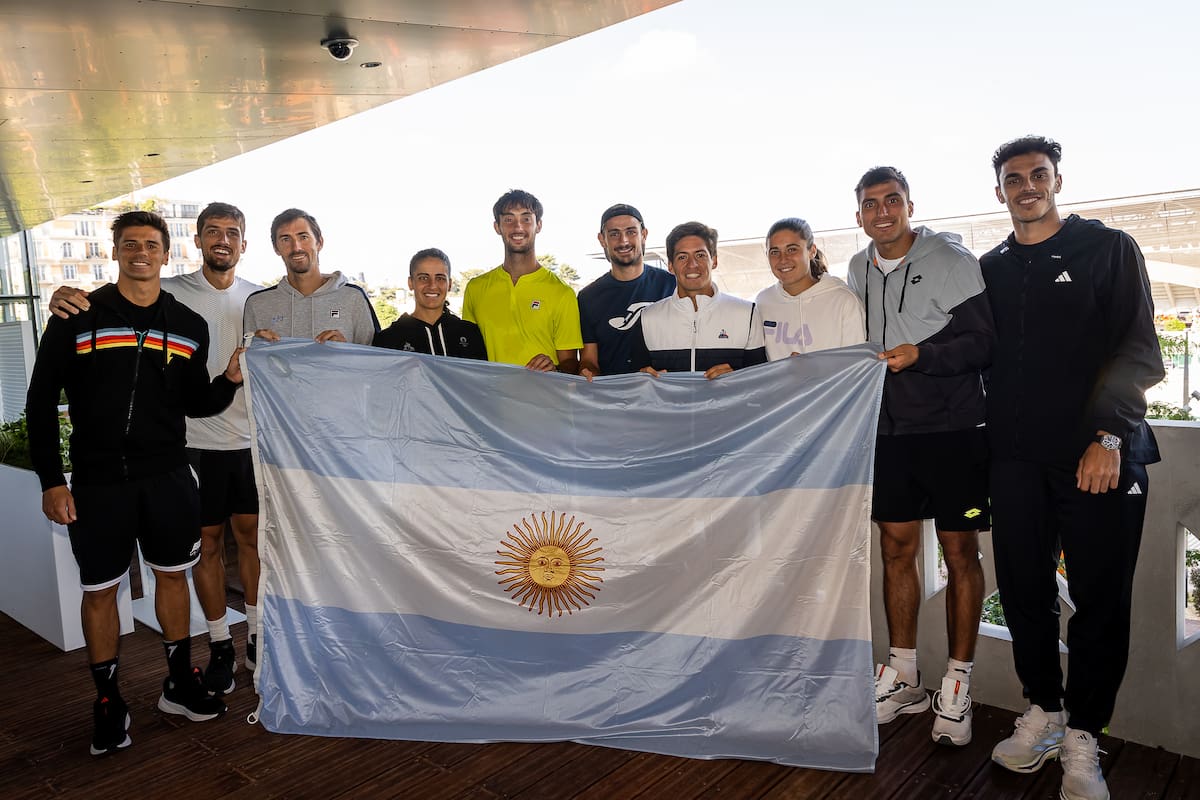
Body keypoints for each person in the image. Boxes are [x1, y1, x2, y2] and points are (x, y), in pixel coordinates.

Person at [983, 136, 1163, 800]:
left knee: (1100, 603)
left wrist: (1109, 436)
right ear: (998, 192)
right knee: (1023, 592)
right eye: (1014, 179)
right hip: (1016, 462)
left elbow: (1138, 349)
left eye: (1038, 175)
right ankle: (1045, 711)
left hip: (1098, 458)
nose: (1026, 186)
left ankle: (1085, 735)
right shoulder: (991, 267)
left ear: (1057, 181)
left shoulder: (1107, 248)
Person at [27, 211, 242, 756]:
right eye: (130, 244)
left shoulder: (188, 324)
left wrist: (229, 380)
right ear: (116, 251)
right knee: (100, 591)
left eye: (151, 244)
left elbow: (196, 401)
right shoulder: (78, 314)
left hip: (168, 476)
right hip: (98, 482)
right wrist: (52, 480)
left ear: (166, 254)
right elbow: (40, 401)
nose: (141, 252)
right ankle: (107, 700)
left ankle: (179, 682)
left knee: (173, 578)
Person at [846, 166, 993, 746]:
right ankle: (903, 674)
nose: (882, 212)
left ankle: (957, 684)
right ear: (859, 213)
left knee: (960, 553)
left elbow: (983, 343)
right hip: (889, 432)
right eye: (871, 204)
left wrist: (922, 356)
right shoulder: (857, 268)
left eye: (892, 201)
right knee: (896, 549)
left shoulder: (951, 259)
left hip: (954, 430)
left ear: (910, 205)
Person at [461, 189, 582, 373]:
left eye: (526, 219)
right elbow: (468, 355)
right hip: (490, 392)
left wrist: (555, 370)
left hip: (543, 393)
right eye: (509, 219)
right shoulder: (475, 288)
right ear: (497, 227)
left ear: (538, 225)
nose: (518, 227)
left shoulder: (562, 293)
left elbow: (571, 363)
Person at [629, 221, 766, 378]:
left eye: (700, 255)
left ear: (714, 260)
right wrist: (643, 378)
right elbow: (635, 378)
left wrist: (736, 377)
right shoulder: (648, 318)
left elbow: (760, 379)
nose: (692, 264)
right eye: (682, 257)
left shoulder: (747, 314)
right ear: (671, 266)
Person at [243, 208, 379, 344]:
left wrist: (345, 351)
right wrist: (256, 347)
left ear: (319, 242)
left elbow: (375, 355)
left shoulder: (353, 297)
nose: (296, 247)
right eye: (285, 239)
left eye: (303, 237)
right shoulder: (256, 304)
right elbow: (247, 356)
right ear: (276, 248)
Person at [577, 204, 675, 378]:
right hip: (612, 393)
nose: (623, 241)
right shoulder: (588, 298)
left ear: (644, 234)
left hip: (665, 390)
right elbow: (589, 359)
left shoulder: (672, 285)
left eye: (631, 232)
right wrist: (587, 372)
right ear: (602, 239)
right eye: (614, 234)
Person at [754, 217, 865, 359]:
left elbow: (857, 364)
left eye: (792, 249)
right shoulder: (763, 302)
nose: (783, 259)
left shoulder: (844, 301)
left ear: (812, 251)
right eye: (775, 252)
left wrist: (814, 367)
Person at [373, 248, 487, 359]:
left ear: (449, 284)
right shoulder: (387, 340)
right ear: (410, 283)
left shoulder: (471, 334)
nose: (432, 285)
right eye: (423, 278)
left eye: (440, 278)